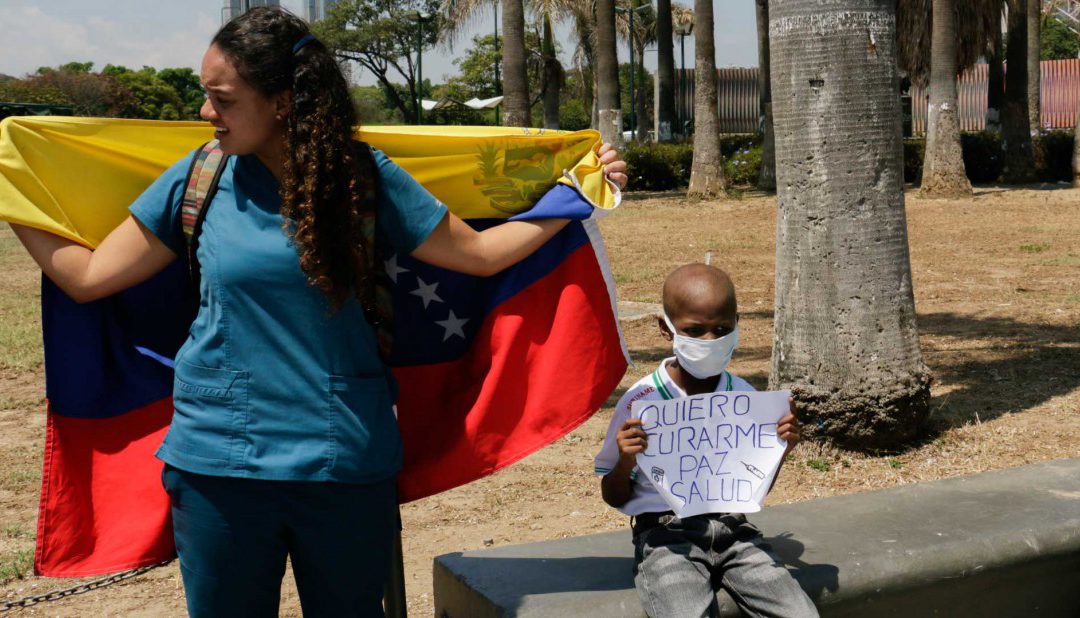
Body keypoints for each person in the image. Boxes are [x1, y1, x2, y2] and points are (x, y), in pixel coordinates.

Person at [10, 7, 627, 617]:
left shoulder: (363, 179)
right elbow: (86, 279)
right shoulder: (197, 179)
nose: (205, 113)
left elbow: (482, 255)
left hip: (343, 467)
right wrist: (12, 188)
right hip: (218, 471)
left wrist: (574, 195)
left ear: (281, 100)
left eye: (222, 99)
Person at [594, 264, 818, 618]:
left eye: (722, 329)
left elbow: (752, 487)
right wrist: (625, 462)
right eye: (694, 331)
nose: (710, 341)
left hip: (736, 532)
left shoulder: (744, 398)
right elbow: (613, 495)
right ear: (666, 328)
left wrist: (781, 450)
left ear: (736, 323)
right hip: (666, 539)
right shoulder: (641, 402)